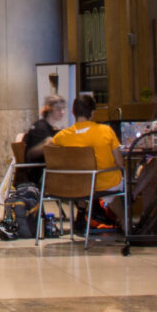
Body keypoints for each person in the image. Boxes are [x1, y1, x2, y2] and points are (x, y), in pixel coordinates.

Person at [46, 94, 125, 231]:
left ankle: (82, 213)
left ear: (73, 112)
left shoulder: (61, 137)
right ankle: (125, 221)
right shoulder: (105, 131)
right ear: (93, 113)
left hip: (75, 184)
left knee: (83, 177)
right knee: (116, 181)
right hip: (104, 182)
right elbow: (120, 162)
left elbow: (49, 147)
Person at [22, 94, 68, 166]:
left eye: (63, 108)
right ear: (49, 109)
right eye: (58, 109)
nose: (62, 112)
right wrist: (49, 143)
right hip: (38, 172)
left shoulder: (50, 128)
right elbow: (30, 155)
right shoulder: (40, 128)